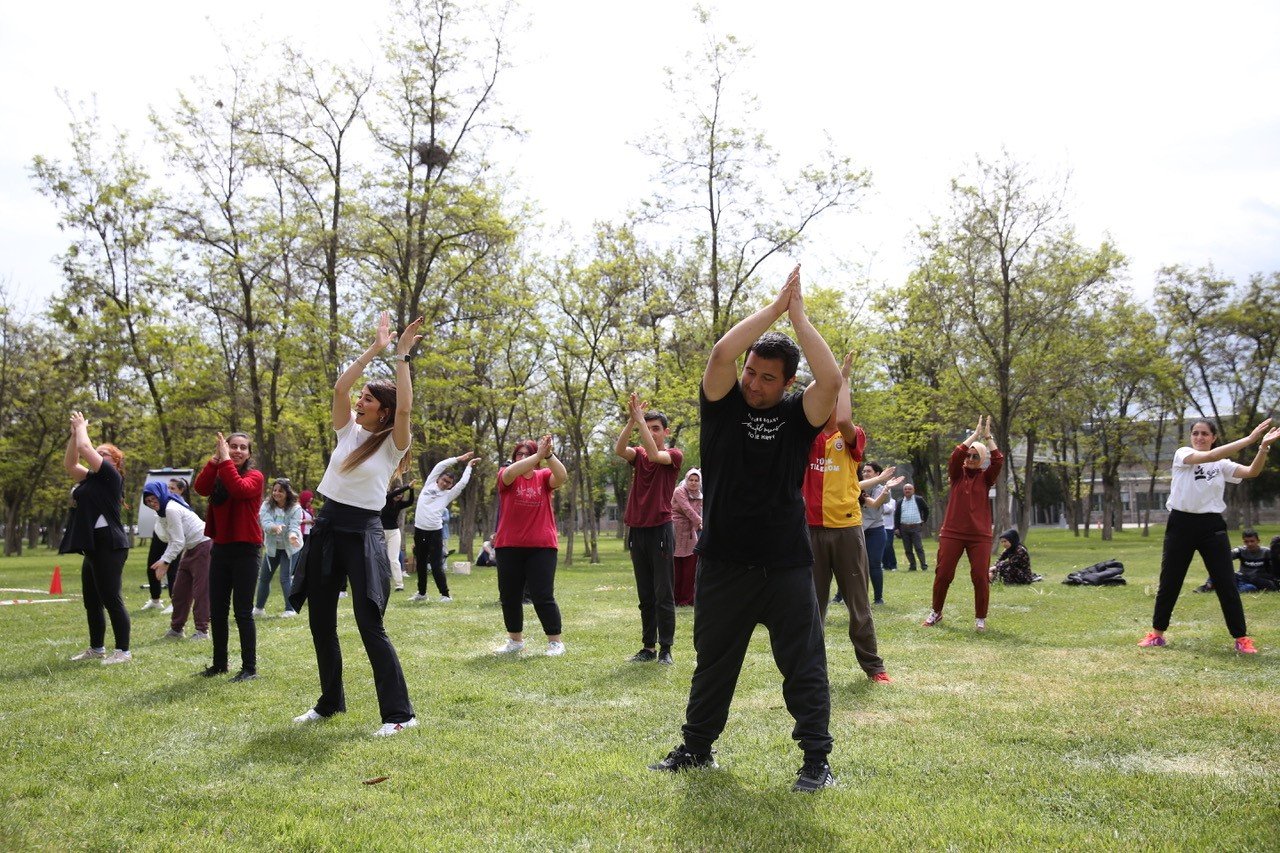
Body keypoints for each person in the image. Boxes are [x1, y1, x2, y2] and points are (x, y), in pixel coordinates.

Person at [649, 264, 842, 794]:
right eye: (752, 372)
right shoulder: (722, 406)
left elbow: (830, 380)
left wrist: (799, 318)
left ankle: (815, 760)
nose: (754, 383)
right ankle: (696, 748)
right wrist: (774, 310)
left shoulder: (799, 415)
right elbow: (720, 354)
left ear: (786, 383)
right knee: (713, 662)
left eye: (767, 377)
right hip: (724, 560)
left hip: (784, 563)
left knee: (803, 665)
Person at [289, 311, 423, 736]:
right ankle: (330, 703)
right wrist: (376, 348)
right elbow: (340, 386)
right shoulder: (347, 432)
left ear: (382, 412)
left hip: (363, 532)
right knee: (321, 621)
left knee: (370, 624)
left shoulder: (392, 444)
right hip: (328, 527)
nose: (358, 402)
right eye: (361, 398)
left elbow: (405, 407)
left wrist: (401, 358)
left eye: (368, 399)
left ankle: (400, 716)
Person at [1139, 418, 1280, 654]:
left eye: (1205, 434)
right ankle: (1157, 634)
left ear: (1213, 437)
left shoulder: (1222, 464)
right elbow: (1207, 457)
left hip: (1211, 526)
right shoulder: (1182, 454)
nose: (1199, 437)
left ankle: (1241, 638)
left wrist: (1262, 447)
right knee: (1170, 581)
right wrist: (1248, 439)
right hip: (1181, 524)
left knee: (1226, 582)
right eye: (1196, 433)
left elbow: (1251, 472)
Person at [803, 352, 893, 684]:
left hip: (847, 530)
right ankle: (811, 669)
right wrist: (825, 379)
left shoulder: (850, 437)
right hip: (811, 531)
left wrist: (843, 379)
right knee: (813, 607)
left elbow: (842, 420)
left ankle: (873, 666)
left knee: (858, 603)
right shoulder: (807, 439)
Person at [615, 394, 684, 665]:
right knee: (645, 595)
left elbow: (655, 454)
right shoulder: (638, 456)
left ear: (665, 432)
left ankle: (666, 648)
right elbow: (620, 449)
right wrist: (632, 422)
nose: (651, 432)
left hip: (661, 530)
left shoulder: (673, 456)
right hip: (638, 531)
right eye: (649, 427)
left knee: (663, 593)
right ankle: (648, 647)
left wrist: (641, 421)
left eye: (657, 428)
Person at [61, 412, 132, 665]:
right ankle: (97, 647)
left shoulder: (112, 477)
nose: (98, 455)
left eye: (104, 454)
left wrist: (81, 428)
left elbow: (84, 446)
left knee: (111, 597)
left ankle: (123, 651)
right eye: (98, 453)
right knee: (92, 601)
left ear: (115, 462)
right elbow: (71, 463)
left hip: (110, 545)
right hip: (93, 545)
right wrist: (73, 435)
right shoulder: (90, 479)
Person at [193, 432, 265, 681]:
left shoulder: (255, 477)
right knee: (218, 610)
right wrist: (215, 461)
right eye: (232, 446)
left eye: (242, 448)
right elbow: (200, 488)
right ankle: (219, 664)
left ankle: (249, 669)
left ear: (249, 454)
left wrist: (223, 460)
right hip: (221, 548)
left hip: (247, 549)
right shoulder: (219, 472)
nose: (237, 451)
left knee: (242, 611)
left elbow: (239, 488)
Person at [923, 416, 1004, 632]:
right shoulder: (957, 475)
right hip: (952, 533)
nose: (969, 458)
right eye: (968, 455)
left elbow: (998, 460)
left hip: (979, 535)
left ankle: (980, 618)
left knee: (980, 576)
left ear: (982, 458)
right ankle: (936, 612)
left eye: (975, 456)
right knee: (943, 574)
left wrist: (988, 437)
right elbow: (956, 454)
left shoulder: (986, 478)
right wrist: (975, 435)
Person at [493, 436, 569, 656]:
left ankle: (555, 642)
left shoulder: (544, 476)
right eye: (519, 454)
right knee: (509, 596)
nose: (523, 458)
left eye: (528, 454)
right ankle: (515, 641)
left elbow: (561, 477)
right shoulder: (506, 475)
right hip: (508, 545)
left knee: (543, 594)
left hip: (542, 546)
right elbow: (509, 474)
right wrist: (538, 455)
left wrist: (549, 455)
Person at [145, 481, 212, 641]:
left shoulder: (171, 508)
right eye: (148, 501)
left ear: (161, 494)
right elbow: (168, 538)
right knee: (180, 590)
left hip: (203, 545)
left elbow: (177, 541)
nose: (152, 503)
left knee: (200, 590)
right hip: (190, 548)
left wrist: (165, 561)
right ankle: (176, 629)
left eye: (154, 499)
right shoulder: (162, 512)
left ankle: (202, 631)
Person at [411, 451, 479, 602]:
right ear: (439, 479)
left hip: (435, 532)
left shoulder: (448, 494)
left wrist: (468, 467)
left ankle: (445, 595)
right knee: (421, 563)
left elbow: (463, 483)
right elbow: (440, 465)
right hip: (419, 530)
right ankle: (422, 594)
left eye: (448, 482)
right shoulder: (429, 483)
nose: (445, 483)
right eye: (444, 480)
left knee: (436, 565)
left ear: (451, 485)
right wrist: (458, 459)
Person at [254, 478, 302, 618]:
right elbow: (265, 523)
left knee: (285, 578)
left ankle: (290, 609)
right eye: (274, 490)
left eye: (280, 491)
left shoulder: (295, 508)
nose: (276, 493)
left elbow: (295, 526)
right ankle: (259, 608)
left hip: (290, 548)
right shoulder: (267, 506)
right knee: (264, 578)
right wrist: (275, 527)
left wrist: (293, 536)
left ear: (287, 492)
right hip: (272, 548)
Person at [860, 462, 897, 605]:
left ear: (877, 474)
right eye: (864, 471)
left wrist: (886, 488)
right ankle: (841, 596)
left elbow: (877, 502)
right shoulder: (858, 485)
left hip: (876, 530)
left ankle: (878, 598)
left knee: (874, 564)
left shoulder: (883, 488)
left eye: (869, 471)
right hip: (857, 529)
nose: (865, 473)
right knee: (852, 564)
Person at [1196, 529, 1276, 593]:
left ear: (1258, 541)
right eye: (1246, 541)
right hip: (1241, 577)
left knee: (1250, 588)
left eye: (1252, 541)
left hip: (1255, 581)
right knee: (1220, 567)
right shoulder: (1240, 550)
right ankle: (1208, 586)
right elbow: (1224, 558)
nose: (1249, 544)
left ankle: (1224, 589)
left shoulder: (1266, 552)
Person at [670, 468, 703, 608]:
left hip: (690, 532)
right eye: (691, 479)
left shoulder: (700, 495)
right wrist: (700, 522)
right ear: (686, 479)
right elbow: (687, 509)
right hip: (676, 530)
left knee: (690, 567)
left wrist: (699, 523)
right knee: (675, 567)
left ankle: (687, 599)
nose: (693, 483)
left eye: (696, 480)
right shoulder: (679, 491)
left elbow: (698, 511)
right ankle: (675, 599)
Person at [381, 476, 415, 592]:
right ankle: (378, 583)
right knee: (378, 558)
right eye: (397, 493)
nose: (399, 495)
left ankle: (399, 585)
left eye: (401, 494)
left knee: (393, 559)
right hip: (380, 532)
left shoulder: (399, 504)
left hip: (394, 532)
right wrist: (406, 487)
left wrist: (411, 489)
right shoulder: (385, 498)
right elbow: (392, 494)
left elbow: (410, 502)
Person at [894, 482, 930, 571]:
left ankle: (923, 565)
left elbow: (926, 509)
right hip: (904, 528)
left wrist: (923, 520)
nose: (907, 490)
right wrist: (897, 528)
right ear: (903, 491)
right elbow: (896, 515)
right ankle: (912, 566)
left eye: (909, 489)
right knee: (908, 549)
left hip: (915, 527)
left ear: (913, 490)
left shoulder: (919, 499)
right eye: (905, 489)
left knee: (918, 547)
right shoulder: (900, 502)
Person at [881, 488, 898, 570]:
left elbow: (889, 510)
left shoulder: (892, 501)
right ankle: (885, 565)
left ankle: (893, 564)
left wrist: (881, 505)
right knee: (882, 546)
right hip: (880, 526)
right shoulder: (879, 501)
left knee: (888, 546)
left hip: (889, 527)